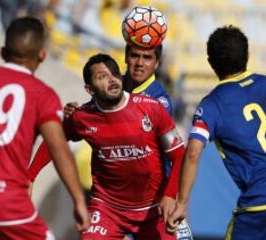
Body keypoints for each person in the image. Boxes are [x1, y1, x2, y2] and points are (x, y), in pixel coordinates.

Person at [167, 25, 266, 239]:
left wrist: (182, 203)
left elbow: (193, 152)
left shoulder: (213, 104)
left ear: (211, 62)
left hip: (262, 204)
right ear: (247, 55)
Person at [30, 53, 185, 239]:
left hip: (153, 210)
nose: (112, 80)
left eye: (114, 74)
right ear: (89, 89)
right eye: (102, 76)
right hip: (107, 210)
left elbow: (179, 155)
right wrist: (29, 177)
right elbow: (54, 141)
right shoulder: (81, 117)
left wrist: (170, 195)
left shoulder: (151, 108)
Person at [0, 17, 90, 239]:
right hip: (8, 206)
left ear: (3, 52)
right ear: (42, 55)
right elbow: (58, 147)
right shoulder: (41, 94)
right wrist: (79, 200)